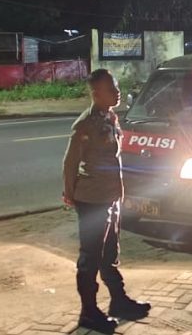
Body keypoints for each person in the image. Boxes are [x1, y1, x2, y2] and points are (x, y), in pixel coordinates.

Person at [62, 69, 151, 333]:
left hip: (110, 198)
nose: (117, 92)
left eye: (117, 87)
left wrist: (119, 193)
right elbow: (69, 163)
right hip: (92, 200)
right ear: (96, 93)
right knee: (90, 257)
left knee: (110, 253)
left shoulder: (110, 117)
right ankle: (88, 312)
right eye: (111, 89)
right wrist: (70, 194)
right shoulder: (85, 125)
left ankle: (118, 301)